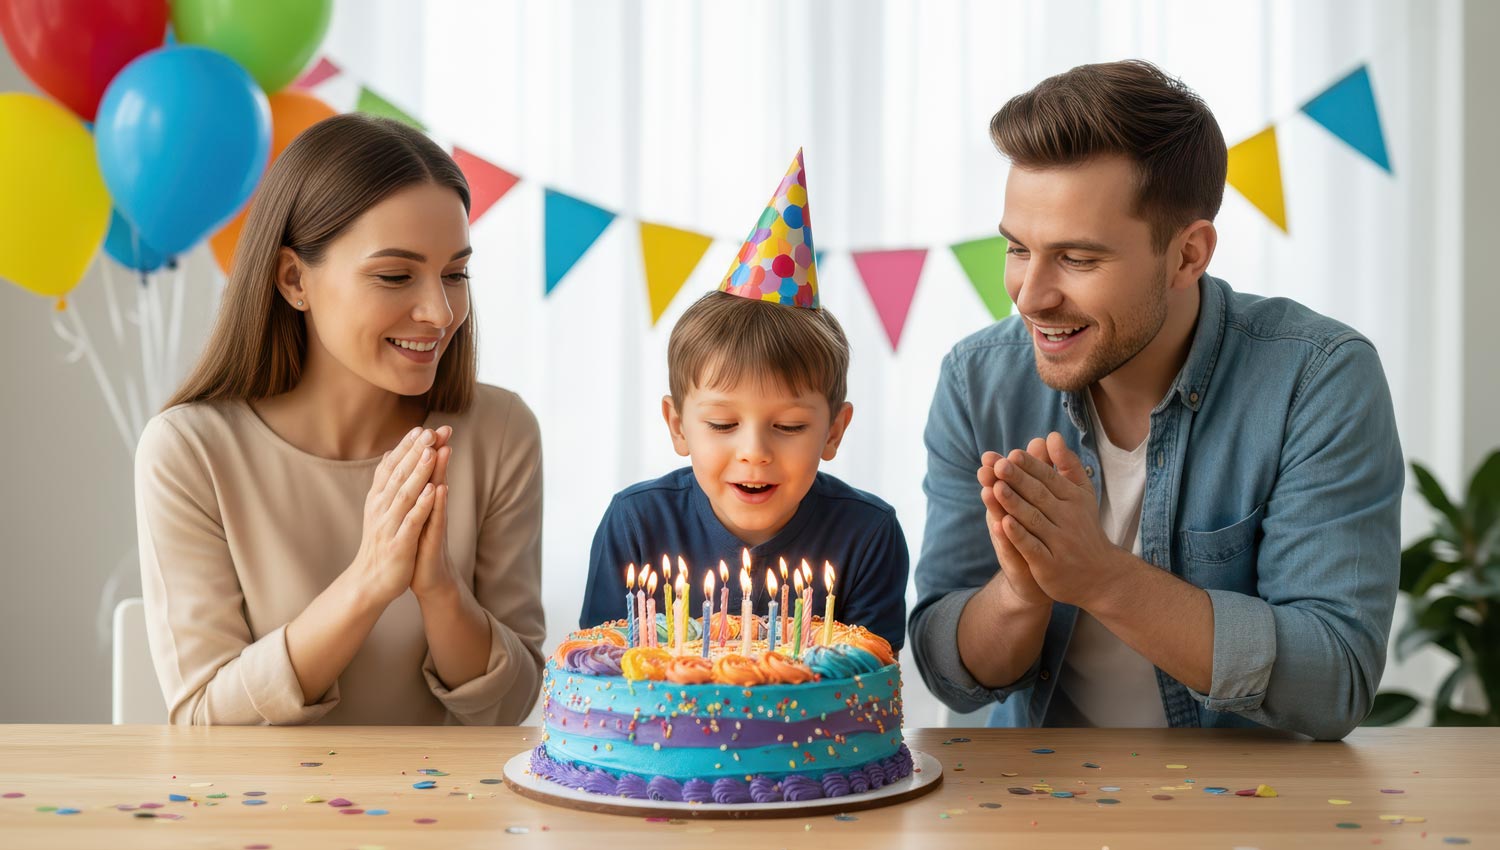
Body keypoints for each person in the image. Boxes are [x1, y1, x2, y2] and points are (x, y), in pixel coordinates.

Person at [908, 60, 1403, 740]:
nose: (1029, 294)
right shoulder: (977, 379)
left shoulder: (1318, 378)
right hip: (1034, 806)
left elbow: (1334, 680)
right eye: (1019, 248)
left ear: (1187, 256)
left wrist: (1100, 576)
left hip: (1244, 814)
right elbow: (947, 669)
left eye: (1078, 259)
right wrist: (1021, 592)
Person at [135, 114, 545, 725]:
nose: (439, 311)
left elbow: (513, 705)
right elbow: (205, 723)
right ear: (295, 280)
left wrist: (440, 591)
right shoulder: (190, 452)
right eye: (395, 275)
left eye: (455, 274)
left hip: (449, 817)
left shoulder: (501, 432)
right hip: (262, 819)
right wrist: (370, 580)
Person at [577, 152, 909, 650]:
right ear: (678, 425)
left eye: (791, 426)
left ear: (834, 431)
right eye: (722, 424)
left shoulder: (867, 537)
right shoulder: (636, 524)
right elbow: (598, 671)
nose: (755, 451)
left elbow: (863, 685)